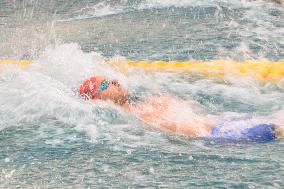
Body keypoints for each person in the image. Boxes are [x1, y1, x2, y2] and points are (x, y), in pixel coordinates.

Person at [79, 76, 282, 142]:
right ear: (97, 101)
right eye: (105, 85)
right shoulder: (126, 120)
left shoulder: (140, 105)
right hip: (219, 138)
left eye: (110, 79)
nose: (114, 81)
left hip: (222, 124)